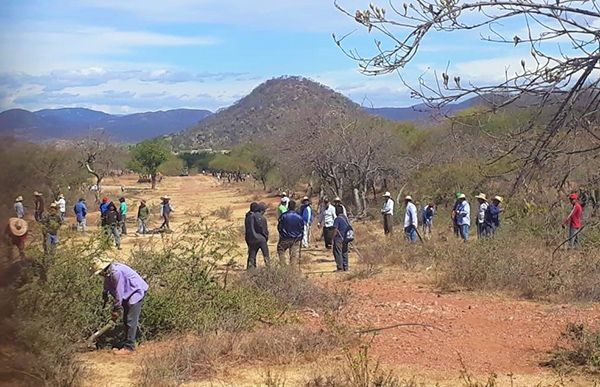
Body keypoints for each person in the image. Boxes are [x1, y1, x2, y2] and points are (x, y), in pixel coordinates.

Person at [93, 257, 148, 354]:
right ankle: (130, 342)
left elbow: (119, 291)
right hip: (128, 292)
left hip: (136, 291)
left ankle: (129, 347)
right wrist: (105, 294)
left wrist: (117, 308)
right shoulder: (109, 273)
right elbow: (107, 284)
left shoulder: (116, 272)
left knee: (131, 319)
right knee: (126, 319)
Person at [277, 200, 304, 266]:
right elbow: (302, 229)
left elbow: (279, 227)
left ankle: (284, 266)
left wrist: (282, 234)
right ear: (295, 207)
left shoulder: (283, 216)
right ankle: (293, 268)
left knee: (281, 250)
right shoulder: (299, 217)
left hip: (285, 238)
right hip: (296, 239)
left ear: (288, 207)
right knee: (294, 255)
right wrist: (300, 237)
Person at [245, 202, 270, 269]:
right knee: (266, 256)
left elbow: (247, 230)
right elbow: (264, 229)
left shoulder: (248, 218)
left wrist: (248, 241)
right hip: (261, 239)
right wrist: (265, 238)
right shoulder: (261, 217)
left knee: (252, 257)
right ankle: (269, 269)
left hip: (252, 239)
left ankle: (251, 272)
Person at [331, 205, 351, 272]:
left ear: (336, 212)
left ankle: (340, 268)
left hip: (339, 238)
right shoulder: (345, 218)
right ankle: (346, 267)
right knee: (344, 252)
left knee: (337, 252)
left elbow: (335, 229)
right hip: (346, 238)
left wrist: (332, 238)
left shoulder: (337, 219)